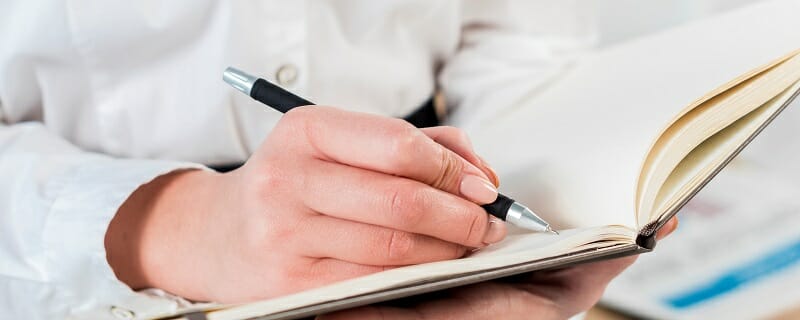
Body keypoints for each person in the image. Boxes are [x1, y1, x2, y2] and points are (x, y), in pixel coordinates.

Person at [0, 1, 677, 319]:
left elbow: (520, 31)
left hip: (431, 252)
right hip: (83, 283)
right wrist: (181, 226)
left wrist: (548, 206)